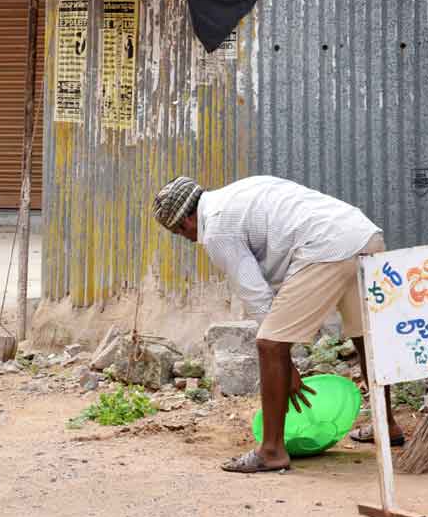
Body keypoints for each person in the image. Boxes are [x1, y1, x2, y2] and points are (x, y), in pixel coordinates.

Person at [153, 175, 401, 473]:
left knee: (269, 344)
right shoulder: (237, 193)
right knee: (366, 337)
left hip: (325, 248)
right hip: (364, 235)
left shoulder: (216, 230)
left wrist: (287, 366)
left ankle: (271, 450)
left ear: (186, 221)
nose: (190, 240)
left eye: (182, 234)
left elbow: (257, 297)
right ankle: (386, 424)